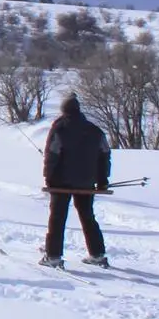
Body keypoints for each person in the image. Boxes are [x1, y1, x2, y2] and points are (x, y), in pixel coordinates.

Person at [42, 92, 110, 268]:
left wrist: (48, 179)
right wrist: (103, 181)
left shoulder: (59, 128)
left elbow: (52, 155)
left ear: (64, 110)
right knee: (88, 216)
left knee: (57, 218)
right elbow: (105, 156)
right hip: (86, 183)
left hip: (60, 183)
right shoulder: (95, 130)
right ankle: (97, 254)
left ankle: (54, 256)